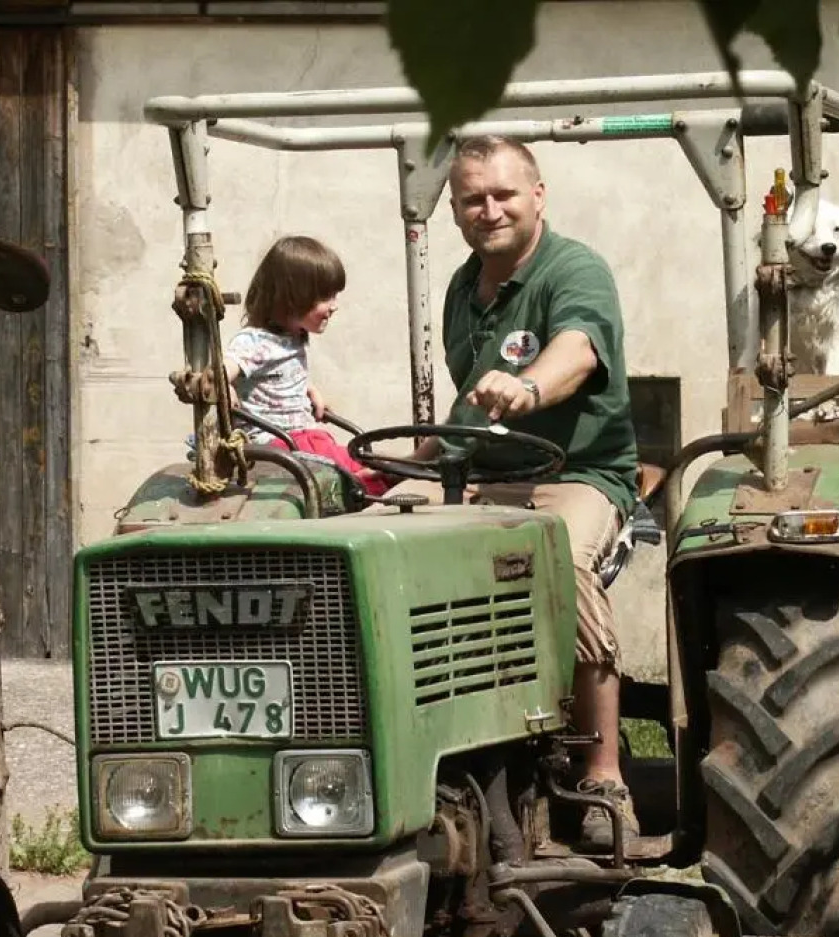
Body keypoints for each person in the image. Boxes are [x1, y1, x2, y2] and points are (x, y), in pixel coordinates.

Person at [415, 135, 641, 850]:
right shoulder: (462, 285)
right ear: (454, 209)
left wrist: (531, 385)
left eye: (504, 194)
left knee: (558, 556)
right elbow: (469, 396)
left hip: (572, 476)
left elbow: (577, 348)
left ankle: (604, 776)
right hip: (480, 476)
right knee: (363, 544)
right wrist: (410, 455)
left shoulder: (574, 270)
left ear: (537, 196)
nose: (489, 210)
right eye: (473, 199)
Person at [222, 235, 392, 496]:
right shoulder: (254, 341)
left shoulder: (292, 337)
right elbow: (224, 368)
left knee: (371, 461)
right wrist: (224, 386)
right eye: (325, 297)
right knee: (353, 476)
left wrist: (307, 388)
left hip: (303, 436)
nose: (334, 306)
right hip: (279, 443)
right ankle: (369, 485)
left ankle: (382, 477)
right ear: (292, 297)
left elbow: (275, 374)